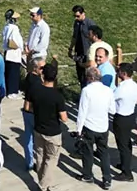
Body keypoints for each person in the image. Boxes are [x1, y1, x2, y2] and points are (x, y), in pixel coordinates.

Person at [28, 62, 67, 191]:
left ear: (42, 75)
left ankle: (43, 182)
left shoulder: (34, 90)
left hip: (38, 128)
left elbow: (27, 107)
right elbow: (64, 118)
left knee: (39, 156)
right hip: (53, 132)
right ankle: (43, 186)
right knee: (51, 160)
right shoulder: (58, 96)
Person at [74, 66, 115, 188]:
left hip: (89, 126)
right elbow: (112, 110)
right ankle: (107, 179)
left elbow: (82, 111)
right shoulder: (108, 90)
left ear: (90, 78)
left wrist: (78, 129)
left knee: (88, 153)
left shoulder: (87, 90)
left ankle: (88, 175)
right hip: (103, 127)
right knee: (104, 153)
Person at [112, 63, 137, 182]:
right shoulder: (134, 85)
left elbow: (112, 98)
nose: (117, 74)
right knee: (126, 143)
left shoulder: (122, 88)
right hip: (130, 116)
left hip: (121, 117)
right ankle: (125, 164)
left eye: (118, 72)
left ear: (123, 73)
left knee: (122, 145)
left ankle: (127, 173)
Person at [18, 55, 46, 169]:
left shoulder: (29, 76)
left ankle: (29, 162)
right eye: (42, 68)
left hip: (26, 111)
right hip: (34, 112)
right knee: (39, 140)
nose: (43, 70)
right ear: (35, 68)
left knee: (28, 137)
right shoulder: (38, 83)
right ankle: (39, 164)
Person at [70, 5, 97, 87]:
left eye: (77, 16)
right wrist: (70, 48)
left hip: (88, 54)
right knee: (81, 76)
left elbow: (96, 39)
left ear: (83, 14)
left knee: (89, 76)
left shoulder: (90, 24)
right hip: (79, 52)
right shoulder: (76, 23)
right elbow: (74, 37)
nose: (76, 18)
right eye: (74, 16)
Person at [2, 9, 25, 99]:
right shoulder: (14, 28)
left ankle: (9, 89)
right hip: (14, 52)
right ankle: (12, 92)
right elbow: (17, 41)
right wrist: (22, 48)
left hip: (7, 51)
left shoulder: (6, 27)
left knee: (8, 71)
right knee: (14, 72)